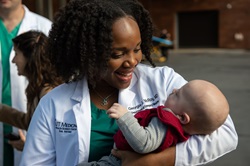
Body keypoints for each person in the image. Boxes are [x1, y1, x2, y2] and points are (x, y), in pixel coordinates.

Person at [20, 0, 238, 166]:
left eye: (137, 49)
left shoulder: (162, 81)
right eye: (118, 53)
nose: (132, 61)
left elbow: (226, 133)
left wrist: (154, 161)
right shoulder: (54, 104)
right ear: (90, 54)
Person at [78, 79, 229, 166]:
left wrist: (125, 117)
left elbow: (144, 143)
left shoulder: (166, 122)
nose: (174, 89)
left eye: (178, 94)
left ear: (183, 118)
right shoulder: (175, 125)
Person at [0, 1, 52, 165]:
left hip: (30, 135)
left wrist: (32, 142)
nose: (14, 60)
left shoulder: (44, 27)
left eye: (17, 54)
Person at [0, 30, 62, 151]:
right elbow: (31, 122)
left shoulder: (48, 94)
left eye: (16, 54)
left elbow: (53, 142)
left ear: (29, 57)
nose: (13, 60)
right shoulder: (39, 87)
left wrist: (27, 146)